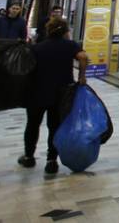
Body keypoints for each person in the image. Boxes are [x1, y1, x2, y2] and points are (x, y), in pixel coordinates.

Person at [19, 17, 87, 174]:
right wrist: (82, 76)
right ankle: (51, 161)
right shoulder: (70, 45)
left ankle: (29, 157)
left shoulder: (37, 47)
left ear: (48, 31)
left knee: (32, 125)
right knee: (55, 126)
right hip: (60, 93)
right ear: (65, 32)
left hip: (37, 92)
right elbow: (83, 57)